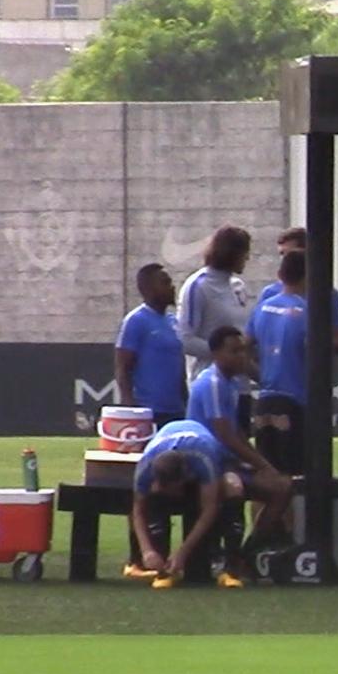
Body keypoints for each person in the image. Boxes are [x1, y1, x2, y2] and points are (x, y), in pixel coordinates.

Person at [184, 325, 290, 538]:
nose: (242, 356)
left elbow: (237, 433)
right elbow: (225, 435)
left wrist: (258, 463)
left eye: (243, 350)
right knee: (276, 488)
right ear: (216, 354)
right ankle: (234, 553)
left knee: (282, 486)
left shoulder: (230, 384)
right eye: (234, 351)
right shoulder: (212, 383)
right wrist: (263, 465)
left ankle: (252, 548)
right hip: (208, 463)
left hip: (224, 461)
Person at [128, 419, 245, 589]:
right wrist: (147, 551)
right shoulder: (145, 466)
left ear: (186, 477)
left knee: (233, 486)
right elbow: (137, 510)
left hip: (210, 460)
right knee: (153, 497)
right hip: (170, 454)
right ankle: (162, 567)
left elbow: (209, 508)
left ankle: (231, 567)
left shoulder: (203, 458)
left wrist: (182, 553)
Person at [244, 250, 310, 476]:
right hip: (294, 401)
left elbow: (243, 348)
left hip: (264, 401)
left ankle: (265, 513)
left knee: (266, 476)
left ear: (281, 274)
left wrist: (261, 376)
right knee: (294, 479)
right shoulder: (307, 311)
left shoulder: (263, 307)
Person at [176, 225, 254, 379]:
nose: (247, 258)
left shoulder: (239, 287)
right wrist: (223, 353)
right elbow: (184, 339)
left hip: (241, 385)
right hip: (211, 381)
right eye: (245, 252)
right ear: (231, 252)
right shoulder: (197, 286)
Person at [115, 262, 186, 427]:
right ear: (148, 288)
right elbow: (122, 367)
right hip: (148, 412)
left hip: (176, 411)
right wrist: (131, 408)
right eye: (165, 283)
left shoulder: (173, 322)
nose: (172, 287)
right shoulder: (135, 321)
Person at [256, 227, 338, 351]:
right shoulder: (269, 294)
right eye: (281, 254)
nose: (285, 259)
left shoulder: (328, 294)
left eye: (289, 253)